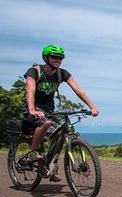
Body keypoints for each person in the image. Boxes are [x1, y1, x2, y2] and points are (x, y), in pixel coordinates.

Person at [22, 45, 99, 181]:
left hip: (49, 109)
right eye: (54, 57)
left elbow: (78, 91)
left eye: (60, 58)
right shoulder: (34, 71)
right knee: (46, 123)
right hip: (32, 107)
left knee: (60, 133)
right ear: (46, 58)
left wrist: (92, 107)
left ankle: (50, 165)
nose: (58, 60)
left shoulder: (62, 74)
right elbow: (30, 91)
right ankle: (32, 153)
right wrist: (32, 110)